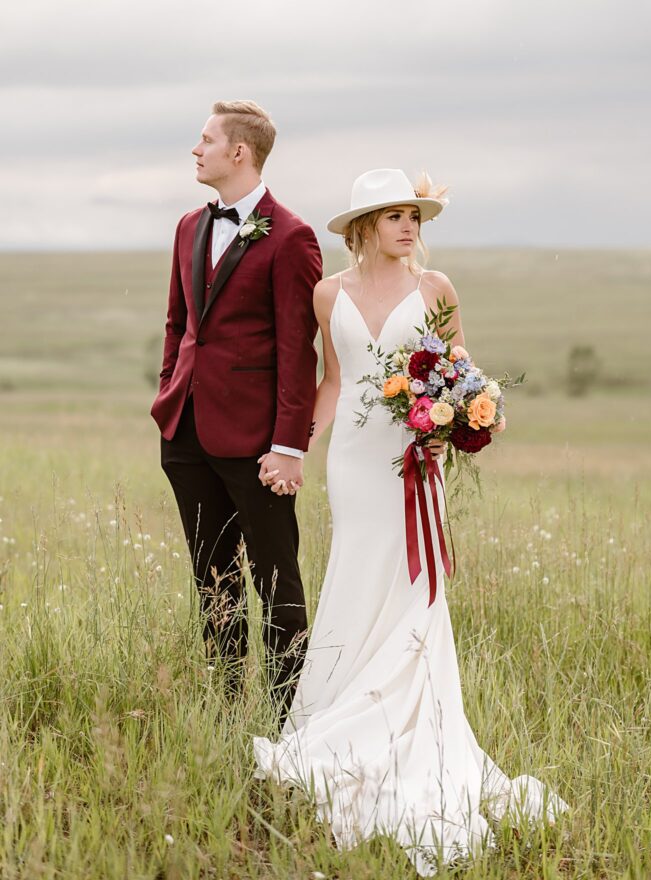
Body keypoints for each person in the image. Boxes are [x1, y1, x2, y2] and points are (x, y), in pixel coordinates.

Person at [253, 168, 568, 874]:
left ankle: (408, 715)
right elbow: (334, 381)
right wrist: (294, 447)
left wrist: (462, 416)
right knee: (354, 573)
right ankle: (341, 703)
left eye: (414, 217)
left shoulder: (435, 289)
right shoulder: (326, 293)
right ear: (363, 227)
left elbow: (457, 366)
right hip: (354, 462)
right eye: (394, 216)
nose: (408, 228)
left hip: (411, 458)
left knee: (408, 583)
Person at [150, 100, 322, 721]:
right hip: (186, 432)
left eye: (206, 140)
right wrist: (168, 391)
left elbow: (298, 353)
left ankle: (287, 720)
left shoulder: (293, 237)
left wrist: (288, 445)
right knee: (211, 580)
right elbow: (178, 323)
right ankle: (225, 711)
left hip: (257, 444)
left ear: (239, 152)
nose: (196, 150)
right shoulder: (188, 227)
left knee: (276, 580)